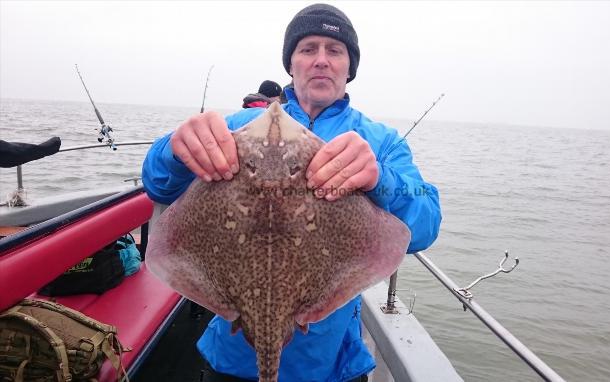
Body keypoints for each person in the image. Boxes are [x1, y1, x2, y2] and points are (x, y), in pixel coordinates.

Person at [142, 3, 441, 382]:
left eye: (334, 51)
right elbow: (157, 181)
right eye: (307, 49)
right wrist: (175, 148)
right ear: (291, 63)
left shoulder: (379, 143)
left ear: (350, 68)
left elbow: (427, 221)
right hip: (232, 361)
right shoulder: (238, 127)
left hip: (332, 366)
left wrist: (380, 178)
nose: (321, 60)